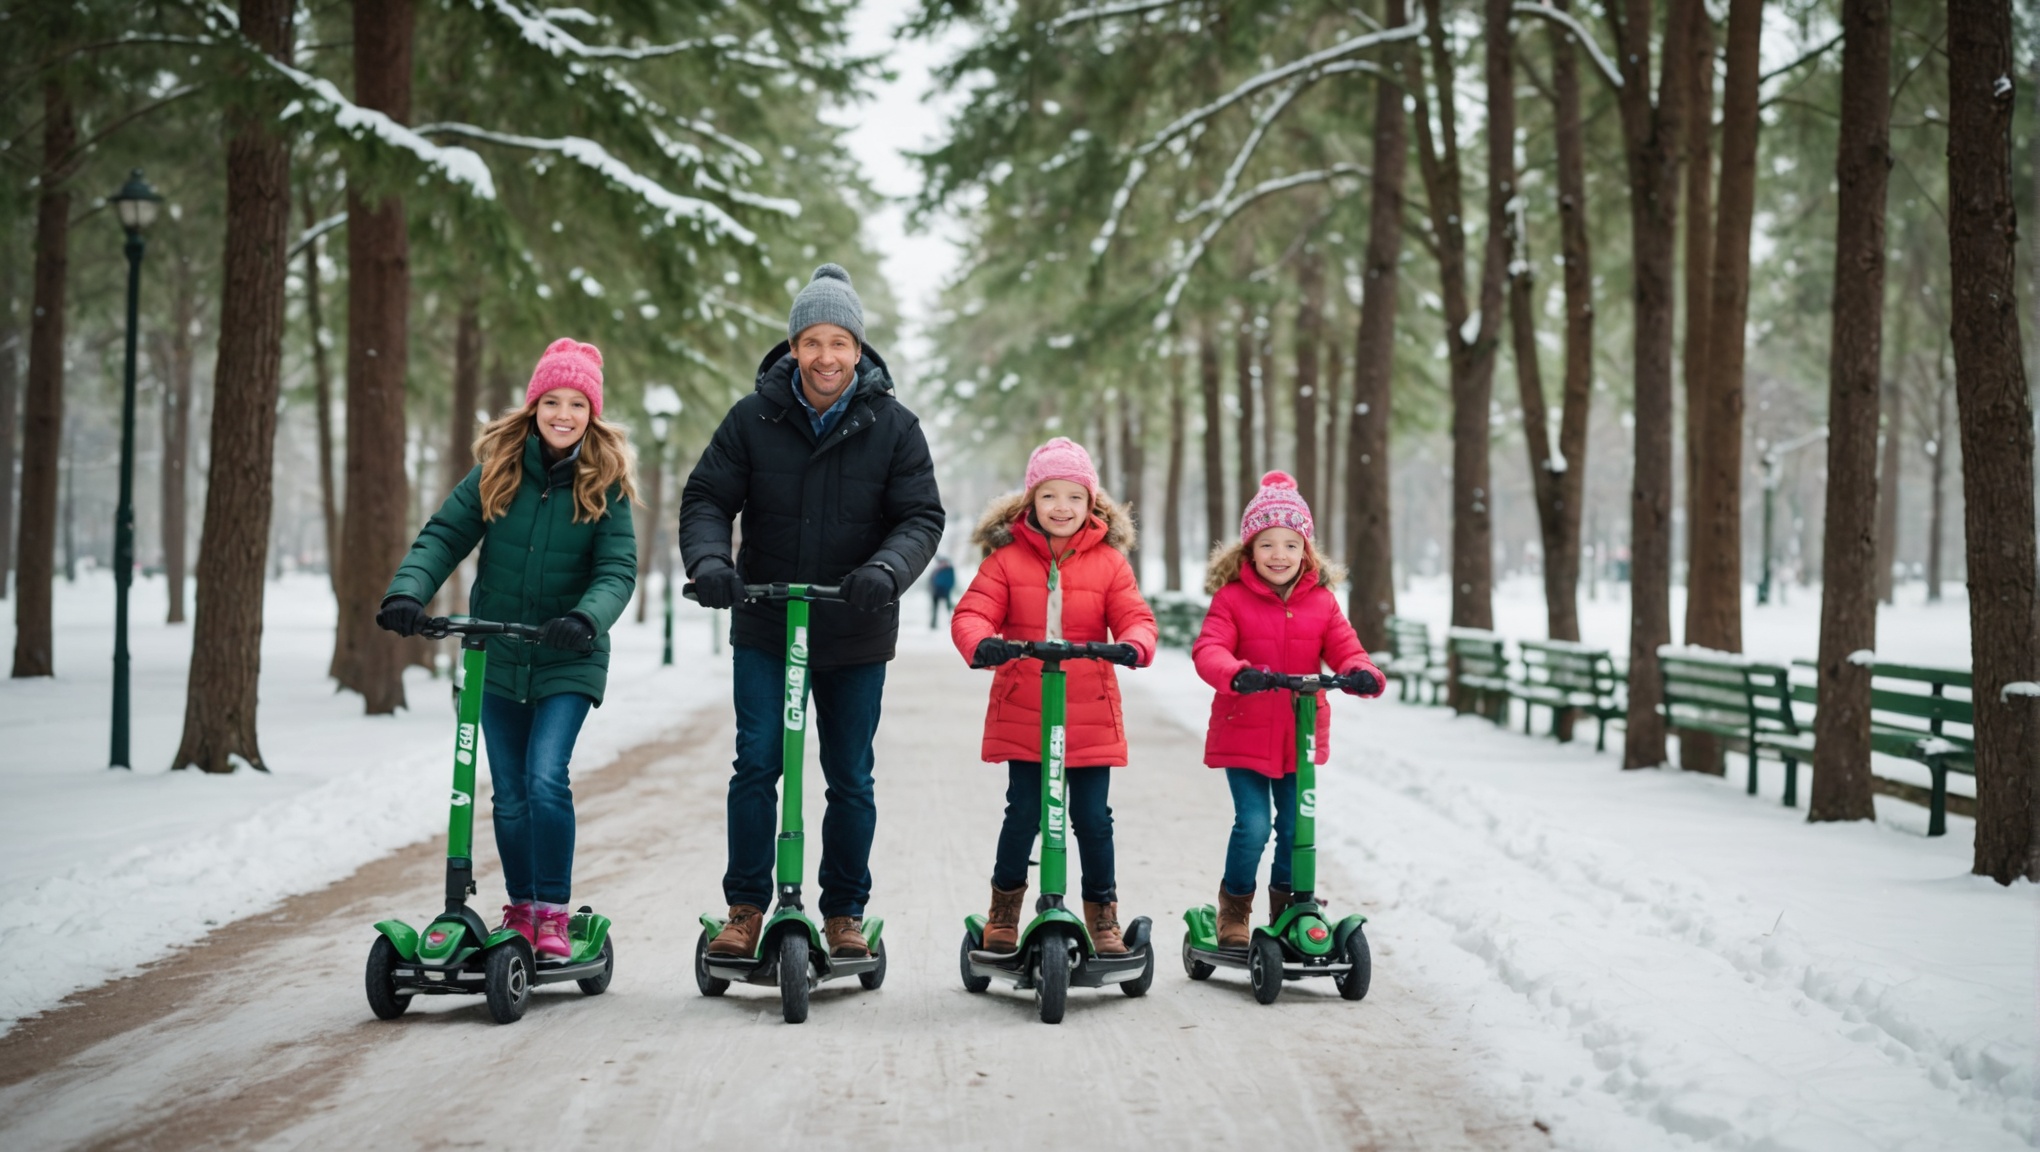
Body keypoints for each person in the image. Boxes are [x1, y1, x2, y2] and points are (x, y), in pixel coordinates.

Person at [679, 264, 944, 959]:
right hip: (768, 621)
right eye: (812, 342)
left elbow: (919, 517)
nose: (826, 357)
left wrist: (886, 570)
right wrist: (710, 563)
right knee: (757, 762)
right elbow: (708, 497)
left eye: (840, 342)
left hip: (854, 626)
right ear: (793, 346)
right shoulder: (752, 417)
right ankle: (744, 908)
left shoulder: (894, 426)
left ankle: (844, 912)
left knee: (849, 775)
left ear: (860, 349)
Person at [376, 338, 638, 960]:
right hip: (495, 653)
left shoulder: (607, 482)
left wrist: (585, 618)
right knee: (510, 791)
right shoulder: (498, 468)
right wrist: (409, 592)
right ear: (534, 405)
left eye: (578, 403)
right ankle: (520, 907)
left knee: (545, 778)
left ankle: (552, 911)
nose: (564, 414)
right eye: (553, 401)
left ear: (592, 413)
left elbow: (618, 569)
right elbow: (444, 535)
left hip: (568, 654)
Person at [950, 437, 1157, 955]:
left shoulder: (1109, 563)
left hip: (1087, 711)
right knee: (1024, 811)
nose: (1061, 507)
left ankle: (1103, 914)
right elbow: (972, 613)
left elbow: (1135, 616)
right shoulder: (1005, 560)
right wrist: (983, 643)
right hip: (1027, 710)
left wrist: (1133, 644)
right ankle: (1004, 911)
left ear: (1092, 504)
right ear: (1030, 503)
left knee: (1092, 817)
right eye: (1049, 496)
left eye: (1073, 497)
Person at [1191, 471, 1384, 949]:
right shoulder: (1231, 599)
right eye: (1267, 544)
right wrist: (1235, 673)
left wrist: (1361, 672)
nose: (1279, 555)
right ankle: (1234, 909)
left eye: (1291, 545)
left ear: (1306, 551)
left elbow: (1346, 649)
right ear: (1249, 550)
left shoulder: (1322, 603)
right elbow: (1209, 649)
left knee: (1299, 826)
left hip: (1301, 737)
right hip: (1245, 734)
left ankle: (1289, 907)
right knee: (1253, 826)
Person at [928, 555, 956, 629]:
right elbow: (931, 580)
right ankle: (933, 623)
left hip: (946, 591)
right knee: (935, 609)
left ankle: (953, 621)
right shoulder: (937, 570)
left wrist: (948, 588)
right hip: (936, 592)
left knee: (948, 608)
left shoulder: (949, 570)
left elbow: (951, 581)